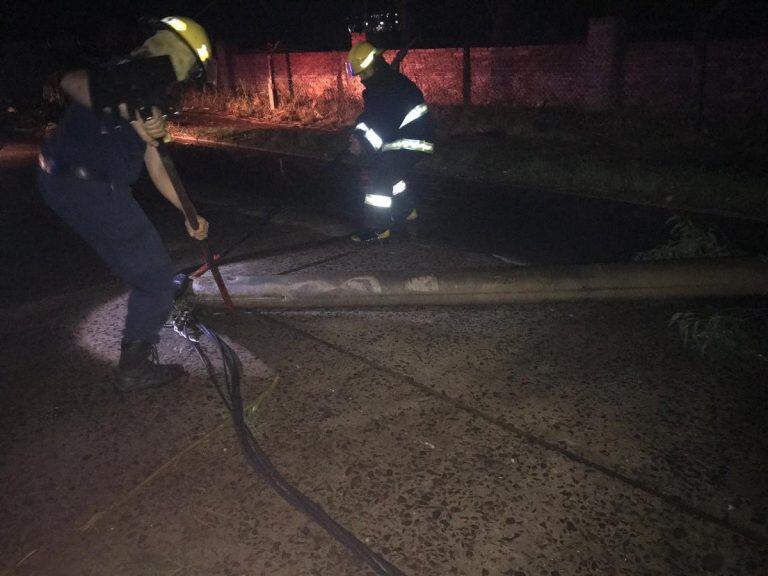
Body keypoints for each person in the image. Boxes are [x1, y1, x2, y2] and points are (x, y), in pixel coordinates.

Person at [38, 17, 214, 391]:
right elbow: (72, 82)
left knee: (146, 265)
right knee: (153, 279)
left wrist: (190, 213)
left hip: (75, 183)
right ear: (177, 53)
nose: (181, 78)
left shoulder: (143, 87)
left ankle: (153, 282)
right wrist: (132, 117)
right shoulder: (124, 76)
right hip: (87, 188)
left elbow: (155, 162)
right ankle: (134, 367)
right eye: (187, 67)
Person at [346, 40, 435, 243]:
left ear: (371, 67)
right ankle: (407, 210)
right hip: (405, 138)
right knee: (389, 170)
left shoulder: (388, 88)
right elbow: (370, 118)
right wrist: (357, 134)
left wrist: (362, 145)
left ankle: (378, 228)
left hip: (413, 141)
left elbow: (382, 127)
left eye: (361, 73)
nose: (360, 78)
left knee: (380, 178)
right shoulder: (383, 85)